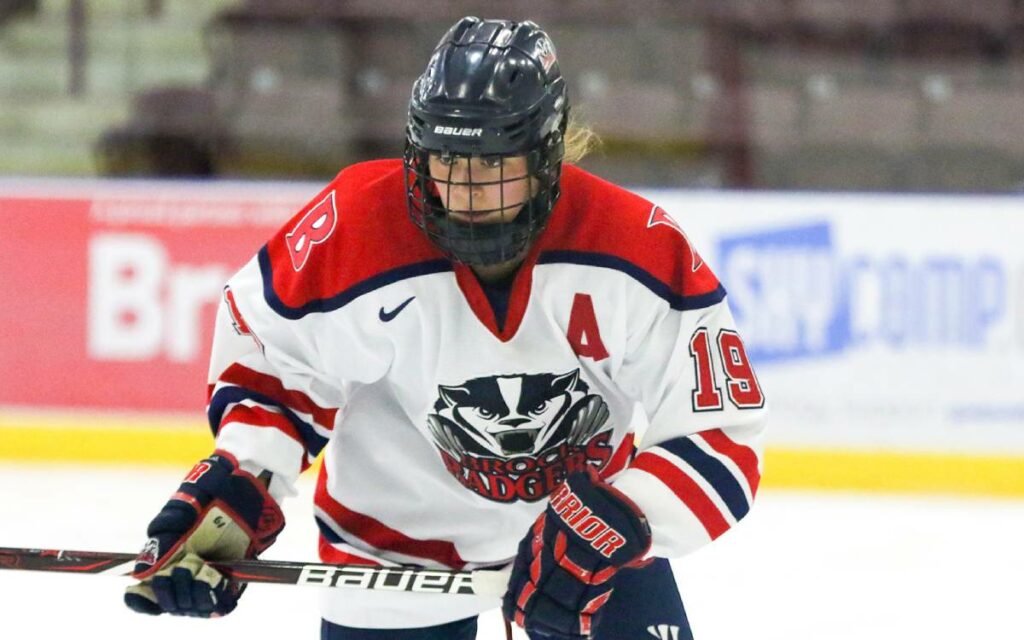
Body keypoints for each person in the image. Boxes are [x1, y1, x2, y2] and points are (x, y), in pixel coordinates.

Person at [122, 16, 767, 640]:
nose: (464, 191)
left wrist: (620, 521)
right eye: (447, 161)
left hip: (585, 547)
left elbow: (722, 435)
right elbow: (276, 371)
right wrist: (242, 478)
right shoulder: (355, 228)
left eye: (493, 166)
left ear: (545, 157)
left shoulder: (635, 248)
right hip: (391, 549)